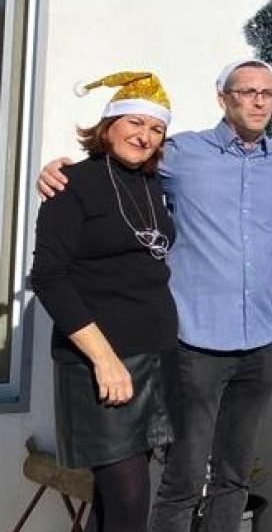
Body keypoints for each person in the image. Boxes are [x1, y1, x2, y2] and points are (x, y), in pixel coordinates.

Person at [38, 59, 272, 532]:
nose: (259, 100)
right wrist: (55, 168)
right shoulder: (181, 154)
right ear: (224, 98)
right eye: (247, 91)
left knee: (232, 477)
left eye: (268, 93)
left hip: (251, 341)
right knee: (169, 482)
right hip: (189, 347)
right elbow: (52, 271)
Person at [30, 71, 178, 532]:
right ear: (107, 125)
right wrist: (104, 359)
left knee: (116, 498)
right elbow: (49, 277)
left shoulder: (152, 184)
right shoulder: (71, 185)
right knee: (128, 496)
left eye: (156, 129)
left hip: (155, 357)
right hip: (102, 362)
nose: (145, 136)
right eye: (134, 123)